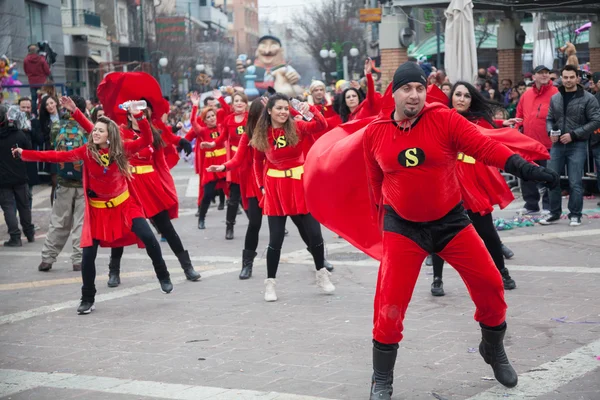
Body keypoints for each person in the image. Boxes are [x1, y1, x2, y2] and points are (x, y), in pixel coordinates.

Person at [359, 62, 558, 398]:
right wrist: (382, 227)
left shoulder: (443, 118)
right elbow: (374, 183)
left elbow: (486, 147)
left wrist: (525, 169)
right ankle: (381, 379)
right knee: (389, 305)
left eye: (420, 88)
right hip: (403, 227)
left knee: (492, 284)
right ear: (394, 92)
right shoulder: (375, 133)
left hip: (451, 221)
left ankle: (493, 348)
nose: (414, 95)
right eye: (407, 88)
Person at [14, 102, 175, 315]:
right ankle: (87, 298)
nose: (95, 132)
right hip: (98, 211)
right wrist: (24, 153)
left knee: (149, 237)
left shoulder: (122, 149)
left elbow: (146, 139)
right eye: (95, 130)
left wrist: (139, 116)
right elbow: (55, 156)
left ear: (109, 135)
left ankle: (162, 274)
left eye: (100, 130)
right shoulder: (86, 152)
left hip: (125, 206)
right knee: (87, 255)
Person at [207, 98, 334, 280]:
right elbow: (238, 158)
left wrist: (299, 108)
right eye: (264, 114)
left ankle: (319, 259)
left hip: (279, 181)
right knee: (255, 224)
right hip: (257, 183)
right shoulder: (251, 133)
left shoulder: (286, 126)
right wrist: (223, 167)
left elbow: (304, 123)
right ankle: (247, 264)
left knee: (302, 223)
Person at [428, 82, 529, 296]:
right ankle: (437, 278)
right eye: (458, 94)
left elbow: (487, 132)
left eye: (466, 95)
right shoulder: (441, 118)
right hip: (446, 180)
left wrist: (502, 123)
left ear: (471, 100)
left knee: (486, 231)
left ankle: (502, 271)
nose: (462, 99)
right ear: (451, 97)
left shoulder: (477, 121)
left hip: (471, 181)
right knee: (440, 231)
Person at [97, 101, 200, 287]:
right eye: (136, 113)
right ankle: (114, 271)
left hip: (150, 186)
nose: (140, 116)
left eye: (143, 114)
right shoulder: (120, 133)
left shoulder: (152, 133)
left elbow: (162, 152)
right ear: (128, 115)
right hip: (129, 186)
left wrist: (179, 139)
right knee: (122, 229)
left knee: (167, 228)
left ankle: (187, 266)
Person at [251, 93, 333, 301]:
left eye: (286, 108)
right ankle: (270, 283)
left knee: (315, 234)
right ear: (269, 111)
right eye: (278, 108)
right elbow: (256, 162)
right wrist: (261, 187)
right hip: (275, 188)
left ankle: (321, 273)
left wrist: (310, 110)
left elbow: (321, 125)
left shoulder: (297, 127)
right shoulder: (262, 133)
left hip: (299, 184)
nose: (283, 112)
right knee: (275, 240)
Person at [541, 65, 600, 226]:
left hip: (578, 144)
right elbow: (550, 118)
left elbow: (596, 120)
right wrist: (551, 132)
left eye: (571, 77)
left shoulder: (588, 98)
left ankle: (575, 214)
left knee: (575, 182)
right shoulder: (555, 98)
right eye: (565, 77)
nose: (568, 80)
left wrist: (574, 134)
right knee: (551, 179)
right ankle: (554, 213)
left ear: (577, 78)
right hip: (558, 145)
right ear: (562, 78)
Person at [37, 95, 87, 273]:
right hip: (83, 182)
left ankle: (47, 258)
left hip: (63, 181)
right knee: (80, 223)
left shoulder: (57, 127)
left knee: (58, 221)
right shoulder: (88, 127)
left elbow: (53, 148)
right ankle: (78, 260)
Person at [200, 91, 249, 240]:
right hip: (235, 161)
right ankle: (229, 227)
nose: (239, 103)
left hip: (250, 160)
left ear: (246, 104)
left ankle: (267, 223)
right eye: (236, 101)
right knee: (234, 197)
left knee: (254, 196)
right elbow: (223, 137)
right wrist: (212, 143)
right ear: (232, 104)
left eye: (242, 101)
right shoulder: (228, 120)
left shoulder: (251, 118)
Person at [516, 65, 558, 214]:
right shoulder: (526, 94)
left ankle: (548, 205)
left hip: (548, 143)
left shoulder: (556, 93)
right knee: (526, 173)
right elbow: (519, 115)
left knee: (548, 174)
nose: (544, 75)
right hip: (528, 143)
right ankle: (531, 205)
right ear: (534, 77)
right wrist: (517, 129)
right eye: (541, 73)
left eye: (547, 72)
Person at [187, 101, 228, 230]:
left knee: (234, 194)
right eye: (208, 117)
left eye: (213, 115)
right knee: (207, 194)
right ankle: (201, 219)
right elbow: (193, 123)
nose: (211, 118)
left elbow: (227, 111)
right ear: (204, 120)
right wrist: (194, 106)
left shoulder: (222, 127)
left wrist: (221, 99)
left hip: (223, 165)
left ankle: (239, 222)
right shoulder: (203, 131)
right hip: (210, 166)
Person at [0, 105, 34, 246]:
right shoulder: (19, 134)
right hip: (20, 175)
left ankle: (15, 237)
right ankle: (29, 233)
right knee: (24, 206)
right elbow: (29, 150)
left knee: (8, 207)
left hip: (3, 178)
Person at [338, 58, 381, 123]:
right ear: (345, 101)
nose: (351, 99)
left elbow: (371, 94)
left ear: (359, 98)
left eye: (354, 96)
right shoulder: (346, 118)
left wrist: (368, 74)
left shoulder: (365, 108)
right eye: (348, 97)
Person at [23, 44, 51, 111]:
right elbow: (47, 71)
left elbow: (26, 71)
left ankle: (34, 114)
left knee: (33, 99)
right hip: (42, 82)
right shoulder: (41, 59)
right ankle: (42, 112)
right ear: (37, 50)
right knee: (43, 98)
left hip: (32, 82)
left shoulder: (26, 60)